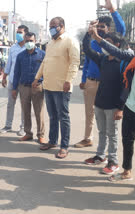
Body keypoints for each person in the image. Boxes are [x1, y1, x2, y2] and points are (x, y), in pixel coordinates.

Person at [75, 0, 126, 148]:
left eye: (102, 27)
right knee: (90, 113)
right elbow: (88, 62)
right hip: (91, 82)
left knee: (108, 118)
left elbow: (122, 28)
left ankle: (109, 149)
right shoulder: (92, 43)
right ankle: (88, 138)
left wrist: (113, 11)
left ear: (108, 28)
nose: (99, 29)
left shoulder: (112, 43)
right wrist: (84, 79)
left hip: (107, 85)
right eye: (97, 27)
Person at [91, 26, 135, 181]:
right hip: (130, 106)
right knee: (127, 141)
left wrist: (98, 38)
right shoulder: (132, 57)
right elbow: (117, 52)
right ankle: (126, 170)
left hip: (122, 105)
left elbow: (117, 49)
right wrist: (123, 106)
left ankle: (115, 163)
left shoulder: (128, 55)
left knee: (114, 135)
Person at [32, 17, 80, 159]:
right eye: (50, 26)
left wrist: (68, 81)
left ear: (62, 26)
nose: (51, 28)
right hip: (48, 86)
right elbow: (44, 62)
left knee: (63, 117)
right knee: (53, 116)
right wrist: (37, 78)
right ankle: (52, 141)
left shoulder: (70, 41)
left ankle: (64, 147)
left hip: (62, 87)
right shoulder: (50, 43)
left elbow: (74, 62)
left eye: (54, 26)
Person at [83, 23, 124, 174]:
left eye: (108, 43)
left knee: (112, 134)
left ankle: (113, 161)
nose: (104, 46)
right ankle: (100, 156)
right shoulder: (103, 59)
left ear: (117, 45)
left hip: (113, 105)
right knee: (101, 131)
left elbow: (125, 87)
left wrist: (120, 108)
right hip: (100, 102)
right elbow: (87, 50)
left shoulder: (122, 63)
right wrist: (88, 34)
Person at [12, 32, 46, 143]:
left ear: (35, 41)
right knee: (26, 111)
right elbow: (16, 73)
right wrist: (14, 88)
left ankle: (41, 135)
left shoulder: (42, 54)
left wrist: (44, 84)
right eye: (27, 41)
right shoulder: (20, 56)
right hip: (24, 87)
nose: (29, 43)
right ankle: (28, 133)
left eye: (31, 41)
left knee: (38, 111)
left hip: (38, 87)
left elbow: (46, 72)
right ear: (24, 41)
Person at [0, 25, 28, 136]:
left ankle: (23, 127)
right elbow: (9, 64)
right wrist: (4, 77)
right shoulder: (13, 48)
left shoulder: (29, 47)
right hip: (12, 80)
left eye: (20, 32)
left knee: (24, 105)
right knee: (10, 104)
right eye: (17, 32)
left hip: (24, 81)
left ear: (25, 34)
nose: (18, 34)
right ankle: (8, 125)